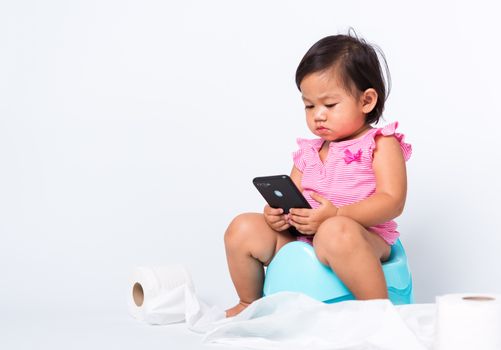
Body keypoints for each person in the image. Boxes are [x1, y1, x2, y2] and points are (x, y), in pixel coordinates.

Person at [224, 31, 412, 317]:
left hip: (362, 237)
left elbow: (392, 201)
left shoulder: (381, 144)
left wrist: (337, 215)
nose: (318, 115)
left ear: (366, 101)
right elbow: (295, 203)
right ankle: (250, 304)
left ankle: (377, 313)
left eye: (329, 105)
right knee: (243, 228)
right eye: (309, 105)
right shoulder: (308, 153)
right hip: (306, 239)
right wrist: (280, 216)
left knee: (334, 231)